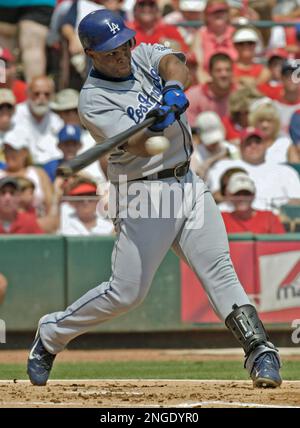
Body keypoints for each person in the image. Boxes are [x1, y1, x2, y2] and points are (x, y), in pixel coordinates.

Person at [27, 9, 282, 389]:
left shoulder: (140, 54)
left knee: (219, 269)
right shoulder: (93, 100)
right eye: (111, 51)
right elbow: (140, 145)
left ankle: (260, 350)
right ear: (91, 54)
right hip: (143, 194)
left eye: (124, 43)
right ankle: (51, 333)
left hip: (187, 182)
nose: (122, 53)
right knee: (126, 293)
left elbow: (175, 63)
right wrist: (155, 123)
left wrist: (173, 90)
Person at [207, 127, 300, 211]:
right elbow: (215, 196)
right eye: (248, 143)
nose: (253, 146)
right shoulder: (223, 166)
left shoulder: (286, 171)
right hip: (233, 218)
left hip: (274, 220)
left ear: (266, 145)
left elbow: (297, 200)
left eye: (257, 142)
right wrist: (241, 199)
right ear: (240, 146)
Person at [0, 126, 53, 217]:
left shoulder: (39, 174)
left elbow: (51, 205)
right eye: (7, 149)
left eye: (13, 149)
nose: (8, 153)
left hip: (37, 225)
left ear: (25, 152)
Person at [12, 76, 63, 164]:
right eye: (37, 93)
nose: (42, 98)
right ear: (27, 93)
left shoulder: (57, 121)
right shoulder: (14, 115)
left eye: (46, 94)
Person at [221, 172, 286, 234]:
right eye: (237, 194)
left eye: (247, 194)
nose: (242, 198)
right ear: (229, 195)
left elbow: (282, 244)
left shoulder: (269, 217)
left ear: (254, 195)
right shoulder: (222, 219)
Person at [186, 52, 235, 126]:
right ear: (210, 73)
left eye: (227, 70)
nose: (224, 74)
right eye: (218, 70)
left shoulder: (240, 95)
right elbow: (190, 128)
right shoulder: (193, 96)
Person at [191, 111, 239, 179]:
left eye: (216, 141)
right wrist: (215, 158)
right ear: (199, 137)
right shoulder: (195, 156)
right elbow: (196, 178)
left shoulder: (231, 149)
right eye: (210, 142)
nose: (214, 144)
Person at [248, 99, 292, 164]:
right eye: (261, 120)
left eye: (269, 121)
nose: (265, 125)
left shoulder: (286, 144)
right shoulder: (248, 145)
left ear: (276, 122)